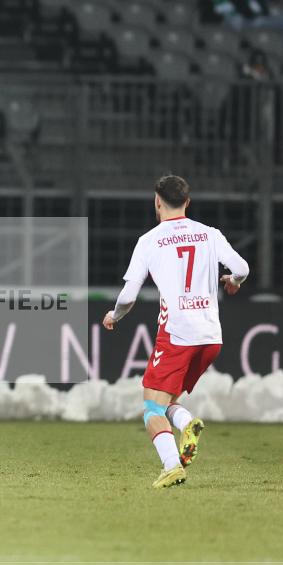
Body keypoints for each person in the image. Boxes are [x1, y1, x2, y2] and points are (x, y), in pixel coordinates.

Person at [102, 175, 249, 489]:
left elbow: (128, 296)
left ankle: (172, 466)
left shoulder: (150, 240)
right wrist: (233, 283)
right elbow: (242, 268)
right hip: (211, 337)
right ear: (188, 202)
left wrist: (114, 316)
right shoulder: (210, 234)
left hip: (177, 334)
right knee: (167, 398)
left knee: (151, 406)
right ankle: (186, 422)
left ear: (157, 201)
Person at [213, 0, 283, 47]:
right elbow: (221, 9)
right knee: (236, 20)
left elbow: (263, 10)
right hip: (239, 19)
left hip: (259, 19)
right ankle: (241, 49)